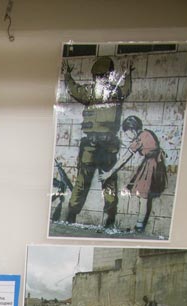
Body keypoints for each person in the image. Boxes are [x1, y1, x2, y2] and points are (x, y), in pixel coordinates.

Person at [63, 56, 132, 228]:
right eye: (100, 76)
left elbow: (126, 89)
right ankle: (73, 214)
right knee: (86, 182)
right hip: (95, 146)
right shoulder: (96, 92)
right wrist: (67, 75)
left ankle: (108, 217)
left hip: (103, 146)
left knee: (104, 183)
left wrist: (127, 75)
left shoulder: (109, 92)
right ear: (96, 77)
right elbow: (73, 89)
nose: (102, 79)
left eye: (105, 75)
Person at [101, 116, 167, 232]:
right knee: (142, 195)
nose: (127, 136)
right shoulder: (147, 133)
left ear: (132, 129)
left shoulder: (139, 139)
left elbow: (124, 158)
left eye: (127, 133)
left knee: (143, 197)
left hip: (150, 166)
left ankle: (139, 225)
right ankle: (139, 224)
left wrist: (110, 173)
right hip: (155, 165)